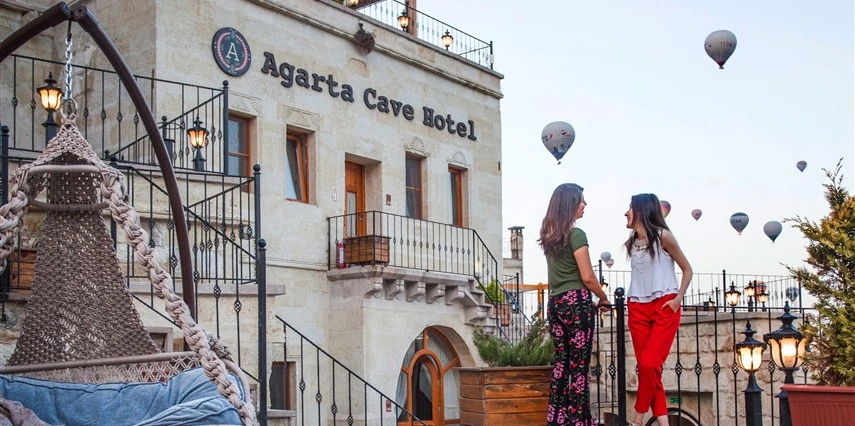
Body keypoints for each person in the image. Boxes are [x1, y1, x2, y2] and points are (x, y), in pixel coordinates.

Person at [539, 183, 610, 426]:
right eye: (581, 200)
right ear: (570, 204)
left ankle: (556, 418)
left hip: (555, 303)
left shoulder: (549, 235)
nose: (584, 204)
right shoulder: (577, 235)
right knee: (579, 365)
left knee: (561, 363)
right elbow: (588, 277)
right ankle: (580, 420)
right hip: (576, 303)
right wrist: (603, 297)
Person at [624, 193, 693, 426]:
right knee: (649, 371)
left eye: (630, 208)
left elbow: (687, 269)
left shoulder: (664, 237)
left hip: (664, 304)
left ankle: (637, 419)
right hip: (636, 307)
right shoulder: (632, 243)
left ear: (642, 210)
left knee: (649, 364)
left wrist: (678, 299)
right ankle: (664, 424)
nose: (626, 213)